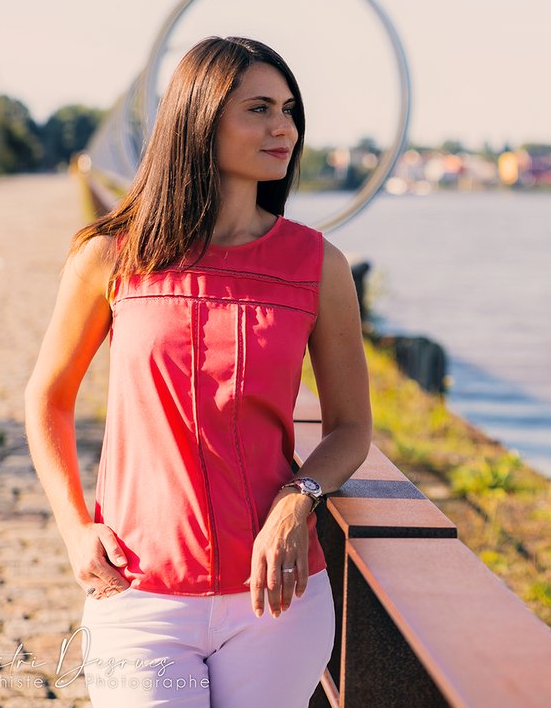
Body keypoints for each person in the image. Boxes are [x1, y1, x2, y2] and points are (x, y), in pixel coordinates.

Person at [24, 36, 373, 706]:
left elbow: (352, 427)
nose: (284, 128)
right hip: (139, 592)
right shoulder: (111, 258)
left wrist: (299, 497)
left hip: (277, 599)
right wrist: (74, 527)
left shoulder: (317, 264)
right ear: (200, 119)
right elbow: (48, 398)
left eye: (290, 110)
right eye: (260, 108)